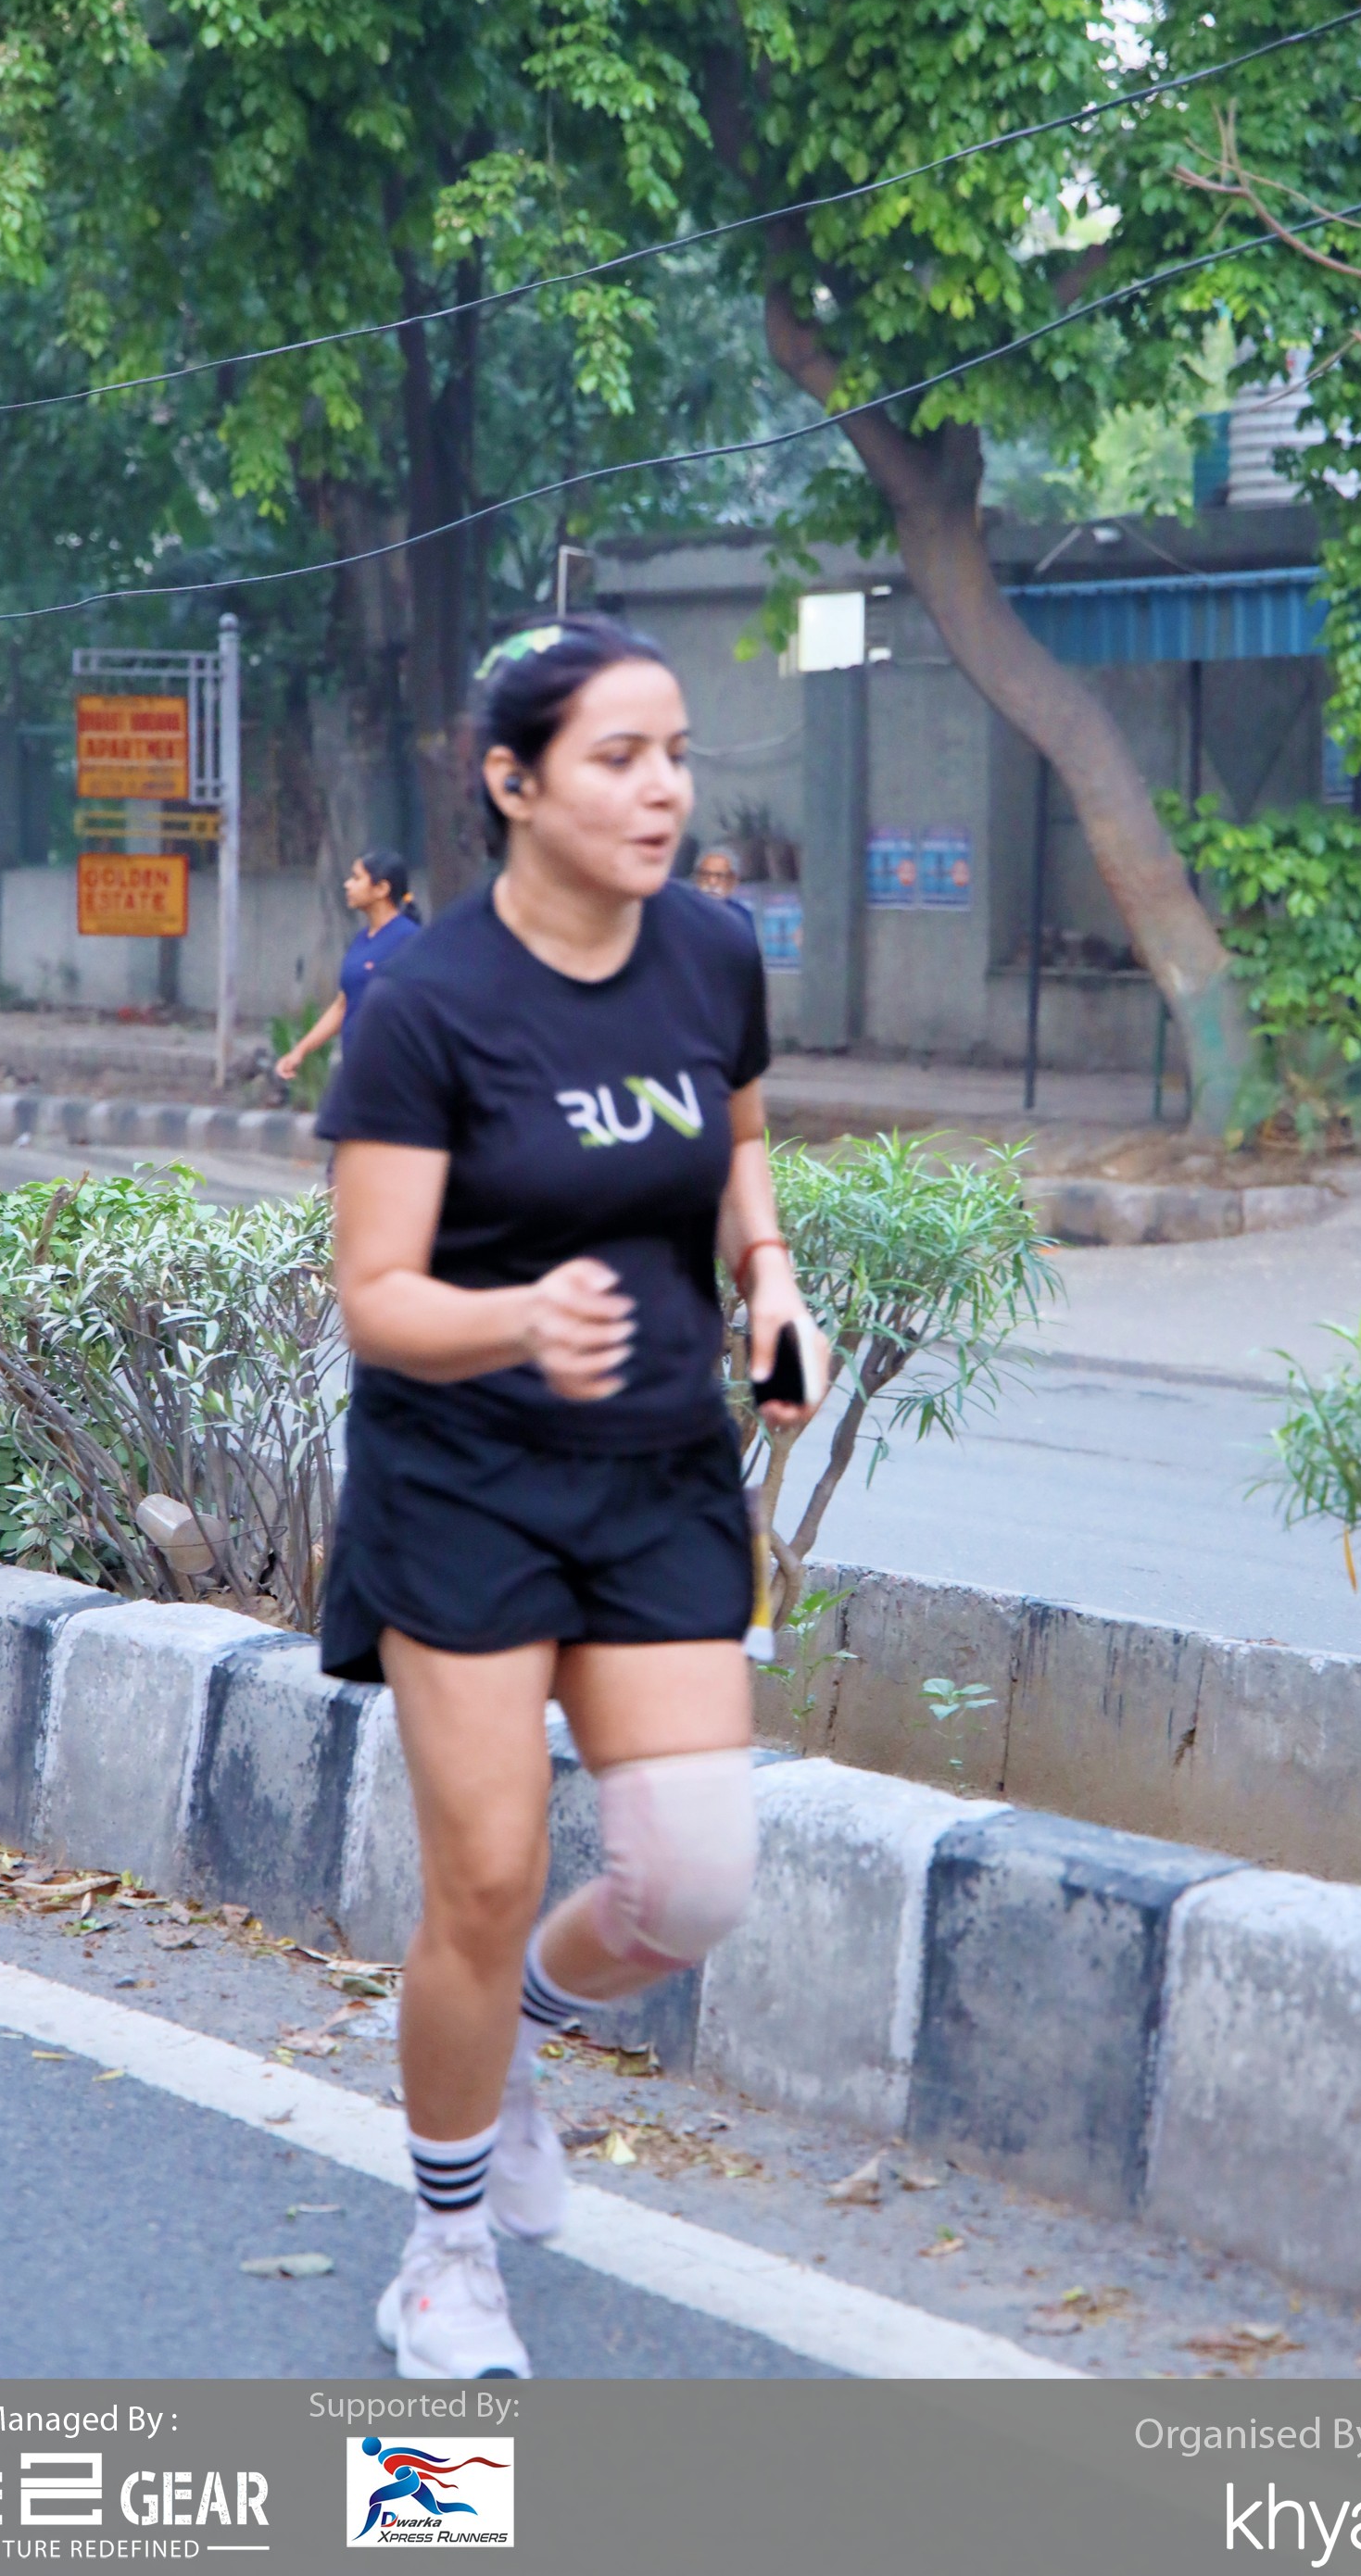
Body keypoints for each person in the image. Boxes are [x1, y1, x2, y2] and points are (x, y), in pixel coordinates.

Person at [315, 615, 827, 2381]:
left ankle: (511, 2040)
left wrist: (767, 1274)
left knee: (690, 1886)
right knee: (485, 1877)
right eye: (618, 758)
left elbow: (737, 1140)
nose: (664, 788)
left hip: (657, 1468)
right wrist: (521, 1318)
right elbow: (375, 1294)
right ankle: (445, 2252)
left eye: (675, 752)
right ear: (514, 783)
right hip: (461, 1480)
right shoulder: (426, 1004)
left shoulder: (710, 951)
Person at [274, 849, 422, 1086]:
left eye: (356, 878)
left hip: (394, 1076)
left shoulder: (409, 940)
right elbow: (343, 1005)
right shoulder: (362, 939)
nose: (347, 884)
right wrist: (299, 1051)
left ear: (381, 889)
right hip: (357, 1070)